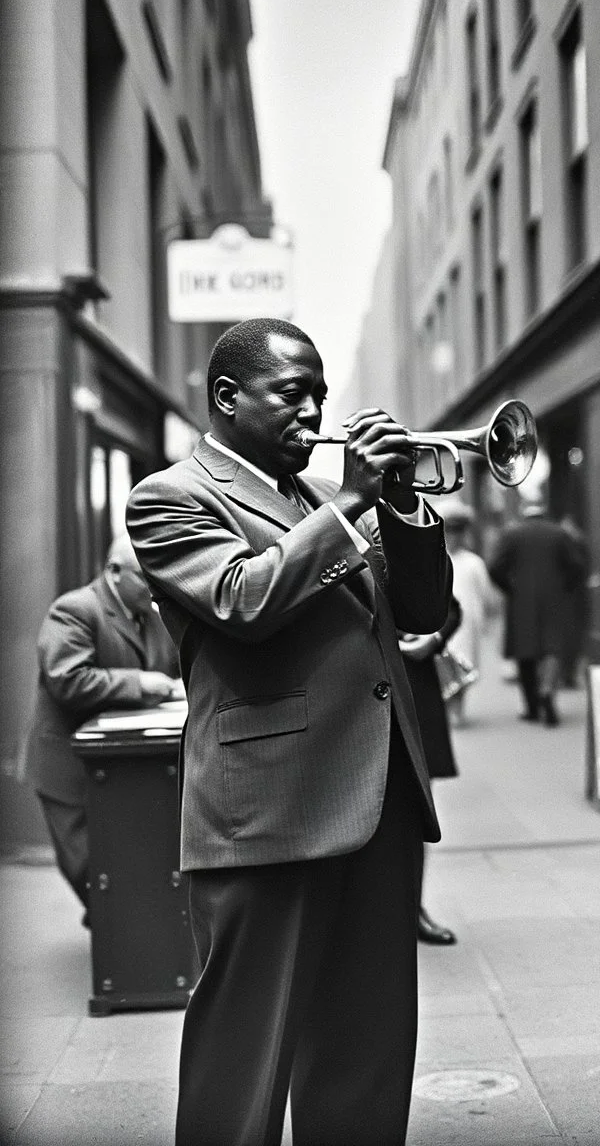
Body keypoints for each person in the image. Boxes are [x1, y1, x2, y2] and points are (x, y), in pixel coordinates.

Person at [125, 318, 452, 1146]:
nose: (313, 412)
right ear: (229, 399)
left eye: (320, 395)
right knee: (246, 1060)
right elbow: (243, 600)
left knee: (367, 1051)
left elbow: (421, 612)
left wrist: (403, 504)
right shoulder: (171, 496)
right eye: (291, 394)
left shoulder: (312, 499)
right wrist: (350, 504)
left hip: (376, 804)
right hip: (267, 814)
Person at [22, 535, 181, 924]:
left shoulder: (152, 615)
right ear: (113, 572)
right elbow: (67, 679)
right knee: (91, 870)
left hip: (125, 766)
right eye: (146, 578)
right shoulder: (75, 609)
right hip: (69, 767)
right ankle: (119, 947)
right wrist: (140, 684)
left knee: (126, 868)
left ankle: (127, 944)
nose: (155, 586)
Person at [488, 496, 586, 727]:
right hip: (554, 600)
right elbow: (577, 567)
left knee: (526, 654)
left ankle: (532, 708)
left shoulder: (512, 534)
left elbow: (494, 567)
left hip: (521, 601)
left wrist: (509, 589)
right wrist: (565, 588)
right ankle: (547, 691)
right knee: (552, 648)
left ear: (524, 511)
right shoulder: (559, 534)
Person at [399, 596, 461, 947]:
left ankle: (412, 909)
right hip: (347, 690)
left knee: (415, 811)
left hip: (413, 684)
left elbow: (450, 606)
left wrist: (433, 639)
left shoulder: (400, 539)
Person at [441, 500, 495, 726]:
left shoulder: (474, 562)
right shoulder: (438, 560)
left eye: (457, 532)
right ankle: (448, 708)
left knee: (463, 665)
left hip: (467, 621)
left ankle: (457, 708)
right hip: (442, 621)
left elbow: (486, 594)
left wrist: (486, 619)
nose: (453, 537)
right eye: (450, 532)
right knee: (443, 664)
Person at [559, 514, 591, 687]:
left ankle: (566, 674)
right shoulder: (578, 544)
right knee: (572, 639)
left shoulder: (567, 545)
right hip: (574, 598)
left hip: (567, 598)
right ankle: (567, 674)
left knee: (567, 639)